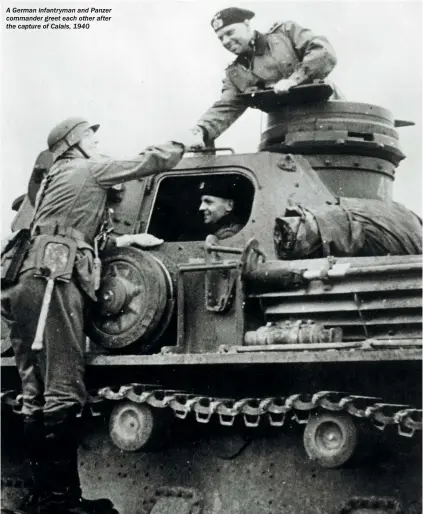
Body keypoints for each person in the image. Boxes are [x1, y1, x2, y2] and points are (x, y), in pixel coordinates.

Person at [1, 117, 190, 514]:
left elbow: (67, 227)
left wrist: (124, 240)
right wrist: (186, 140)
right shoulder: (89, 167)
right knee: (63, 388)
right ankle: (61, 503)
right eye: (91, 135)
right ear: (76, 142)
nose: (97, 140)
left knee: (34, 391)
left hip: (23, 279)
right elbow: (149, 162)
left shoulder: (58, 175)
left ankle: (44, 498)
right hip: (52, 278)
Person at [189, 7, 340, 147]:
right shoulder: (236, 72)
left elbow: (323, 52)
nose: (226, 41)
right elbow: (226, 106)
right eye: (221, 38)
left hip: (328, 125)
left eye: (230, 33)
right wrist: (201, 130)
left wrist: (294, 80)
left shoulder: (284, 34)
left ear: (247, 24)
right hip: (284, 137)